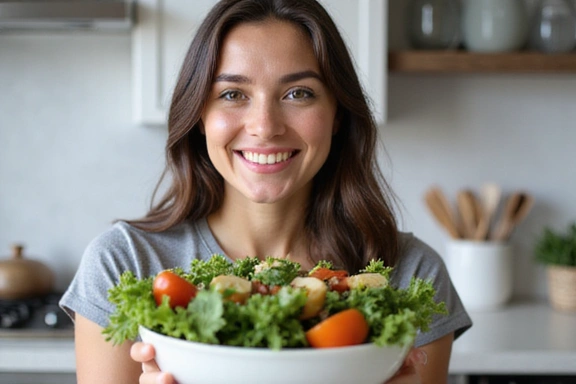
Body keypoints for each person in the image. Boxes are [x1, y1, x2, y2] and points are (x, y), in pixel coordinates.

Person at [60, 0, 472, 383]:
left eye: (298, 93)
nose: (265, 125)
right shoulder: (122, 264)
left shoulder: (411, 274)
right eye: (232, 94)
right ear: (199, 115)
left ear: (337, 116)